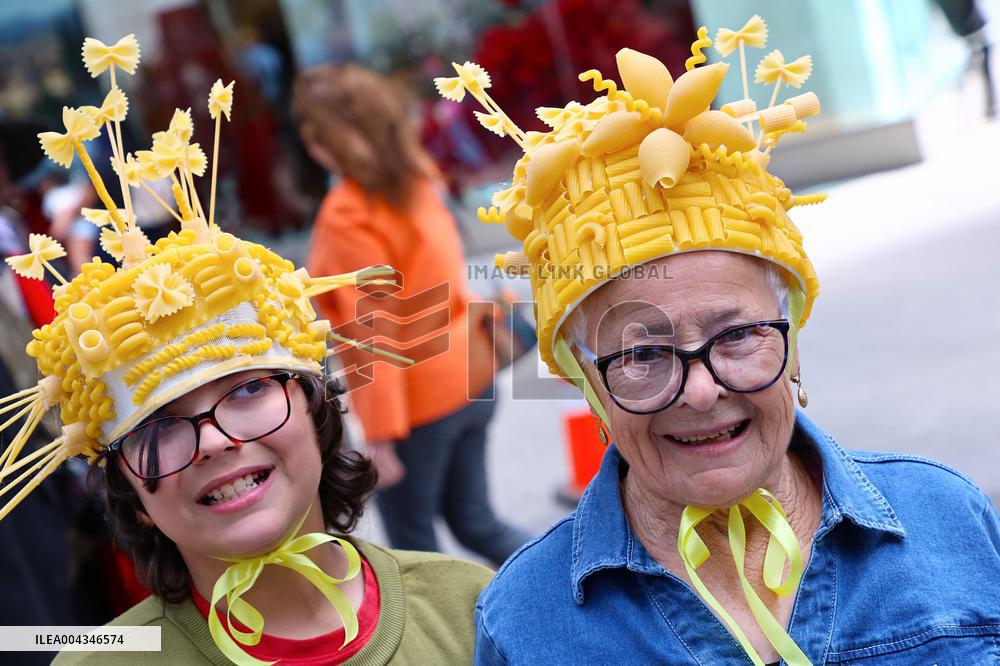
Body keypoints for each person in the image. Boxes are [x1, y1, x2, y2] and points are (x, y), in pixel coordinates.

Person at [439, 16, 1000, 665]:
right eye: (643, 353)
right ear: (587, 377)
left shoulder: (948, 520)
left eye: (736, 334)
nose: (702, 391)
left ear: (790, 343)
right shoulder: (528, 624)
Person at [0, 33, 490, 665]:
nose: (214, 439)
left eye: (249, 388)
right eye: (158, 424)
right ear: (127, 489)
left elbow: (386, 312)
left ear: (316, 410)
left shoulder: (471, 610)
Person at [293, 64, 531, 566]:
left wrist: (379, 436)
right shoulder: (421, 178)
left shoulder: (348, 215)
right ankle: (570, 596)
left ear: (323, 142)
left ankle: (455, 642)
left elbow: (370, 332)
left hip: (419, 406)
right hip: (472, 372)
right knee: (476, 522)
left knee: (414, 553)